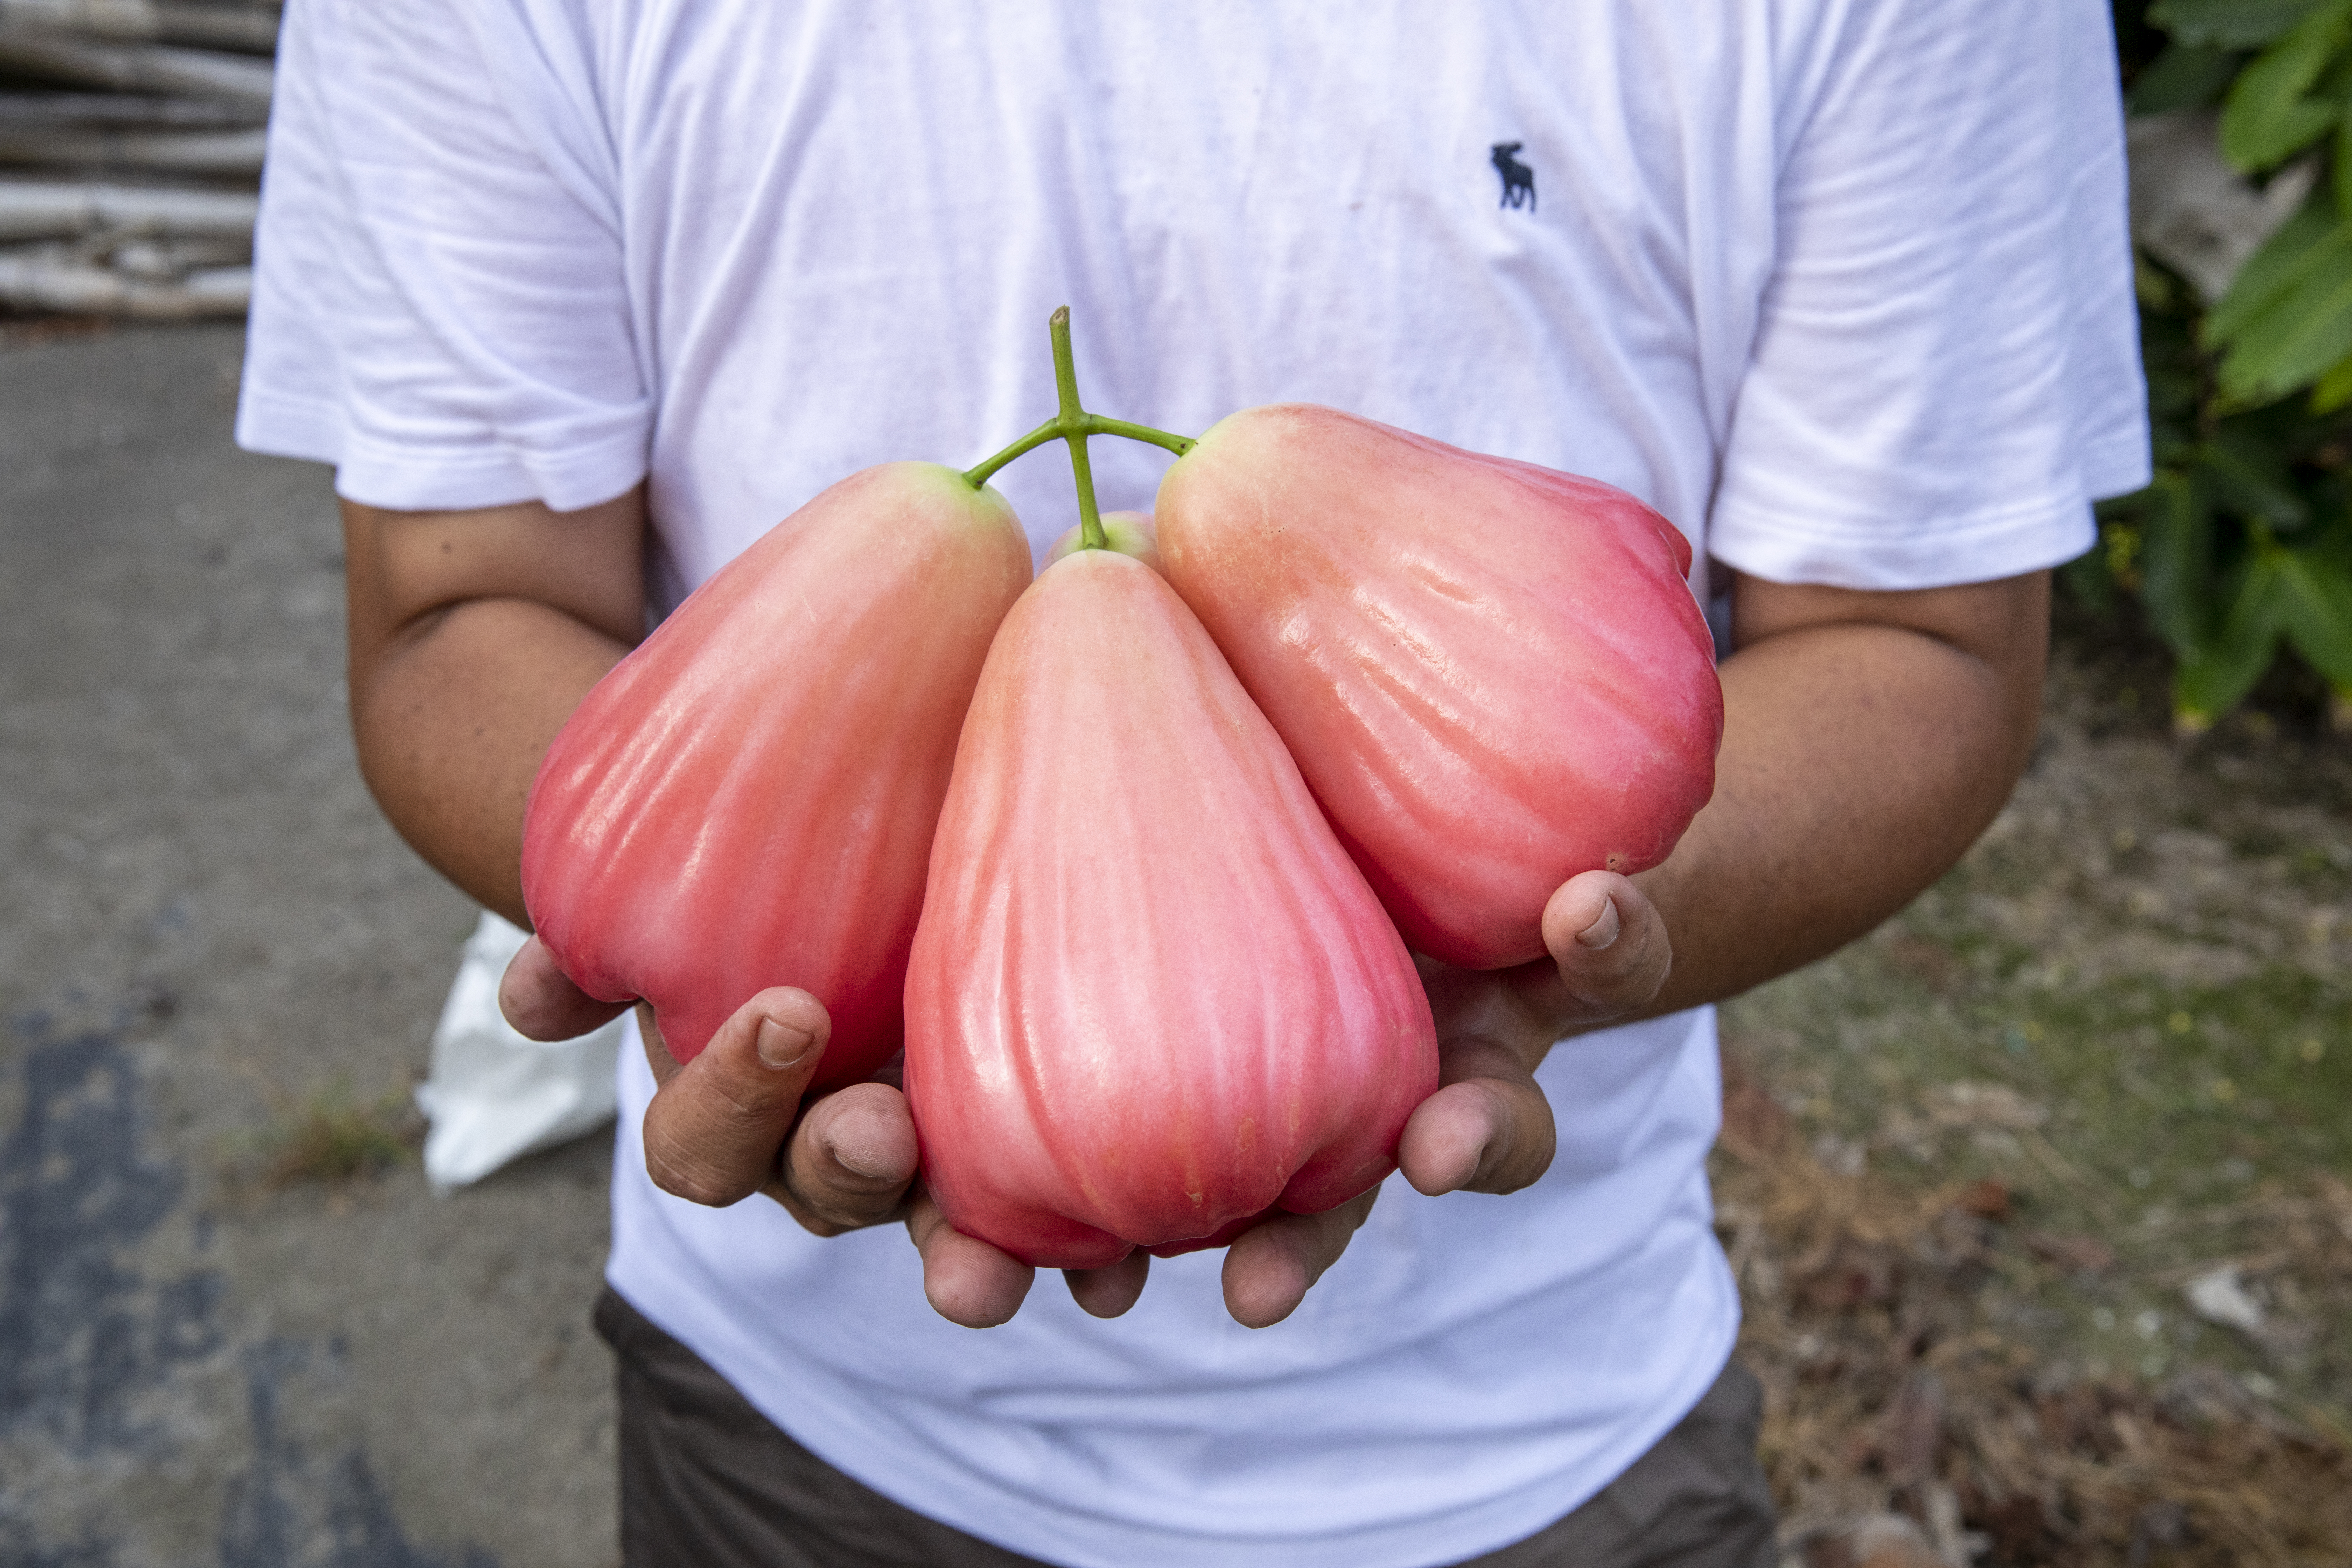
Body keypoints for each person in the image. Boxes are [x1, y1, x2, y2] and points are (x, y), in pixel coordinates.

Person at [237, 1, 2148, 1562]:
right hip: (803, 1437)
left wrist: (1506, 976)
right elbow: (455, 608)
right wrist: (744, 965)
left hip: (1555, 1434)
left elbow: (1924, 645)